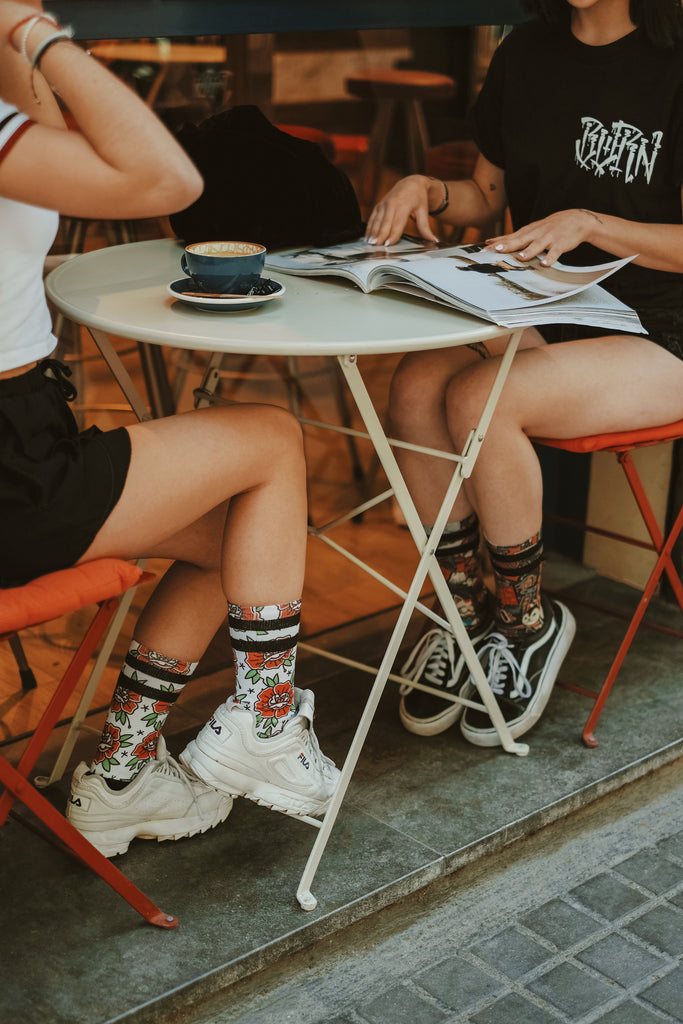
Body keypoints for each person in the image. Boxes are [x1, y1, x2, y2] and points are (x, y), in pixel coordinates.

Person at [0, 0, 339, 858]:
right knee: (269, 439)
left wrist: (15, 43)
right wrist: (38, 33)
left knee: (241, 536)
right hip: (12, 468)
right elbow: (169, 182)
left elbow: (46, 127)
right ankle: (263, 725)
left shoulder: (11, 129)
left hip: (23, 450)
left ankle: (123, 774)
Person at [365, 0, 683, 745]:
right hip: (543, 307)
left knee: (482, 397)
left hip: (660, 332)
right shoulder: (525, 53)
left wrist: (593, 224)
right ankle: (466, 613)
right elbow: (488, 196)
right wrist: (427, 189)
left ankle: (524, 624)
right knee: (413, 386)